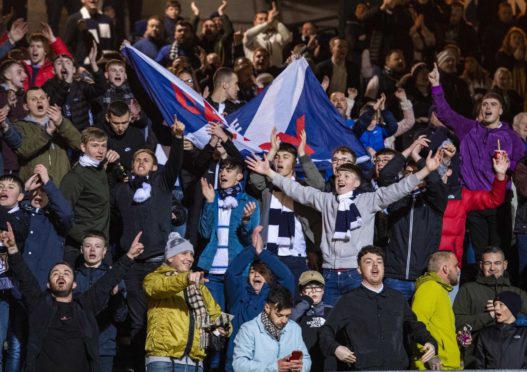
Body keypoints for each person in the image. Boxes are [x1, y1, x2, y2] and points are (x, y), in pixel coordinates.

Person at [246, 141, 443, 306]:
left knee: (357, 324)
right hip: (329, 275)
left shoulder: (368, 201)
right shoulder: (326, 200)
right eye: (339, 176)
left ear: (356, 183)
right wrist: (270, 173)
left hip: (355, 275)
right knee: (329, 323)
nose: (340, 179)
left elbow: (398, 189)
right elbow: (297, 190)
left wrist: (426, 170)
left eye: (346, 176)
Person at [1, 221, 144, 372]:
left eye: (66, 273)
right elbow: (25, 278)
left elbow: (106, 282)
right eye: (55, 273)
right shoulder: (40, 305)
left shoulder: (84, 307)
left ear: (74, 284)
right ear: (49, 284)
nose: (61, 275)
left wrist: (129, 257)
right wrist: (12, 250)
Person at [429, 62, 524, 264]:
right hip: (473, 200)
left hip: (499, 200)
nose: (488, 107)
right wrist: (436, 85)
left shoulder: (511, 136)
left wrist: (509, 167)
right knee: (481, 253)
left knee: (501, 252)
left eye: (493, 105)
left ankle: (501, 291)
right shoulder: (468, 128)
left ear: (501, 111)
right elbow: (445, 112)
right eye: (485, 104)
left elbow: (523, 163)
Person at [111, 120, 184, 372]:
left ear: (154, 166)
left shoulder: (161, 184)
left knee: (157, 318)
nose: (140, 162)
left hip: (156, 264)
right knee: (136, 321)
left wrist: (177, 137)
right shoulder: (121, 191)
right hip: (132, 266)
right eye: (137, 159)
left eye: (146, 160)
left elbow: (175, 163)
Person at [319, 245, 437, 370]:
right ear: (359, 269)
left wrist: (429, 341)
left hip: (397, 368)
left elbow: (414, 325)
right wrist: (335, 348)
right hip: (364, 368)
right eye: (368, 262)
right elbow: (326, 331)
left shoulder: (397, 298)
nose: (375, 265)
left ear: (383, 268)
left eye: (379, 262)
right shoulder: (348, 301)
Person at [143, 232, 230, 372]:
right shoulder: (154, 278)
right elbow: (160, 288)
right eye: (184, 253)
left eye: (191, 254)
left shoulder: (199, 287)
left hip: (194, 362)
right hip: (163, 360)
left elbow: (216, 314)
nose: (190, 258)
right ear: (170, 257)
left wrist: (224, 327)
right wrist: (186, 279)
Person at [249, 130, 324, 287]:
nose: (279, 160)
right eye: (277, 157)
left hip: (296, 254)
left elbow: (319, 185)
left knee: (292, 300)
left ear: (294, 162)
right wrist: (271, 153)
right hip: (269, 253)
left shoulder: (302, 187)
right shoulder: (268, 188)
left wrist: (302, 153)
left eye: (285, 157)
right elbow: (255, 181)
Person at [224, 225, 295, 372]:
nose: (256, 275)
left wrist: (262, 253)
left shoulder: (276, 297)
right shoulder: (239, 294)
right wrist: (251, 250)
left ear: (269, 277)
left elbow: (287, 277)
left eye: (262, 272)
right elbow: (232, 273)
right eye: (252, 272)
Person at [453, 246, 527, 368]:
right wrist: (487, 316)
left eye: (497, 263)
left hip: (515, 361)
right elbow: (456, 321)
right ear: (481, 265)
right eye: (488, 263)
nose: (492, 268)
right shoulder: (468, 290)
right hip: (475, 360)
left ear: (505, 265)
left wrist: (509, 312)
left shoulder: (518, 293)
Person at [60, 127, 121, 264]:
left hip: (103, 244)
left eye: (103, 146)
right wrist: (84, 238)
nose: (100, 151)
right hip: (80, 248)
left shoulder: (99, 169)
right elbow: (62, 212)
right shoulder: (76, 177)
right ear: (83, 147)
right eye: (94, 146)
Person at [75, 231, 128, 372]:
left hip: (103, 348)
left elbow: (121, 317)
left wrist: (116, 296)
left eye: (98, 246)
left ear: (104, 251)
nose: (92, 250)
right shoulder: (72, 277)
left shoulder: (114, 277)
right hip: (76, 347)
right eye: (88, 246)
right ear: (81, 250)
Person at [233, 286, 311, 372]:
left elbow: (306, 359)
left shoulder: (295, 328)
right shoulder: (248, 329)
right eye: (279, 315)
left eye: (287, 315)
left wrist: (301, 368)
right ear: (267, 308)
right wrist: (274, 368)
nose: (284, 320)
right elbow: (238, 365)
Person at [15, 87, 81, 183]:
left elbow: (79, 144)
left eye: (42, 98)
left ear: (48, 100)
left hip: (62, 183)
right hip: (36, 186)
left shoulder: (60, 121)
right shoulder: (20, 126)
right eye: (34, 99)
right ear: (26, 106)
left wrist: (61, 123)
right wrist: (47, 133)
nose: (39, 101)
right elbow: (23, 151)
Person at [411, 251, 461, 370]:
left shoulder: (441, 290)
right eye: (455, 266)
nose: (458, 270)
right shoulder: (430, 288)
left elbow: (441, 330)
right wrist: (430, 358)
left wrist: (457, 339)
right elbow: (416, 324)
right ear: (445, 269)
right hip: (436, 366)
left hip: (447, 365)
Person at [43, 43, 107, 132]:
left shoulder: (81, 85)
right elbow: (54, 104)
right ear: (53, 70)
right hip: (61, 134)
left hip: (83, 133)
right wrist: (67, 82)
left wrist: (93, 63)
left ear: (73, 70)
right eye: (59, 63)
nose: (64, 66)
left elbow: (101, 88)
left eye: (67, 63)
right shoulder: (48, 86)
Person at [291, 270, 335, 372]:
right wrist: (306, 302)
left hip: (327, 365)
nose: (314, 290)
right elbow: (289, 323)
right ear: (301, 291)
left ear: (323, 290)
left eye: (318, 287)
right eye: (309, 287)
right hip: (304, 364)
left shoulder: (332, 311)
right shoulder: (297, 312)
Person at [475, 291, 527, 369]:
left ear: (512, 307)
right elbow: (479, 366)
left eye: (501, 304)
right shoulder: (485, 335)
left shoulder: (524, 334)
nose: (496, 308)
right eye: (495, 304)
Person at [63, 0, 117, 65]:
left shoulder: (107, 20)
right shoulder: (74, 19)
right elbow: (66, 46)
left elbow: (113, 44)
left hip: (105, 66)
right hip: (84, 67)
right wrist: (77, 66)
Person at [243, 2, 292, 67]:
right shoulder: (253, 37)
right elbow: (248, 35)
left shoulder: (275, 36)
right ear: (254, 22)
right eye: (260, 19)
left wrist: (275, 21)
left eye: (266, 19)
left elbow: (287, 38)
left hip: (276, 73)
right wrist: (268, 23)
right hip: (257, 72)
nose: (263, 21)